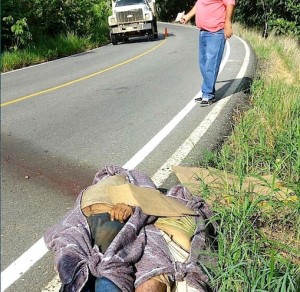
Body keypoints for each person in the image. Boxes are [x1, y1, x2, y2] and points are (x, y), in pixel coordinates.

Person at [44, 166, 216, 292]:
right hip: (89, 220)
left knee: (111, 264)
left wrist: (133, 209)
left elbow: (147, 198)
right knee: (81, 262)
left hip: (122, 223)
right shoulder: (103, 187)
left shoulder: (133, 183)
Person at [180, 0, 236, 106]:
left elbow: (230, 3)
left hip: (216, 32)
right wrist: (188, 16)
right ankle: (208, 92)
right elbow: (199, 3)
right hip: (203, 31)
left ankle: (207, 94)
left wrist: (228, 24)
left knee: (211, 64)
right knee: (204, 64)